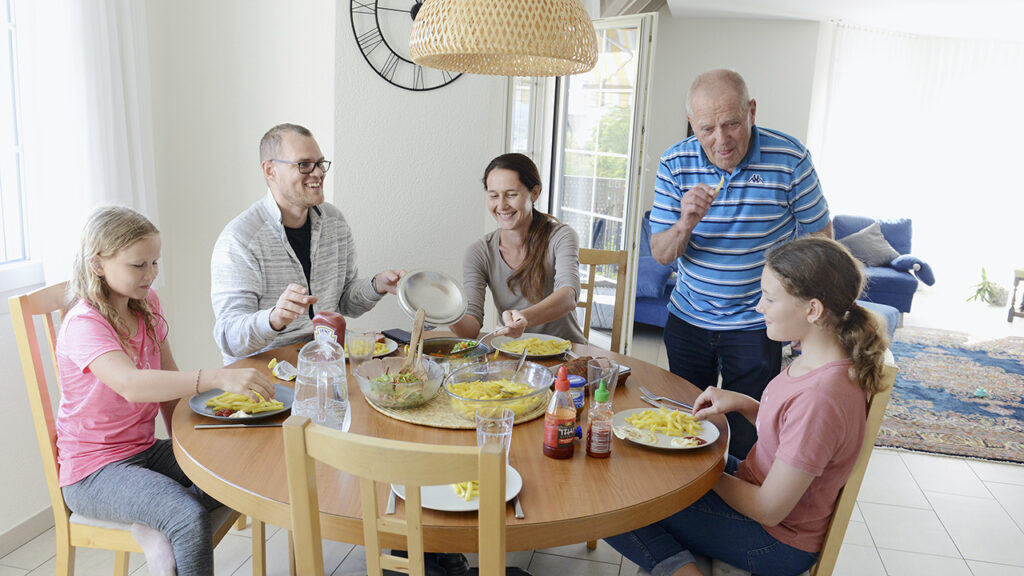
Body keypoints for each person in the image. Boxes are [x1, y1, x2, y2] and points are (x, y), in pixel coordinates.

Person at [606, 237, 890, 576]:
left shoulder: (822, 398)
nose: (759, 307)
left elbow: (770, 509)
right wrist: (745, 405)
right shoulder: (816, 362)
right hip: (757, 489)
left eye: (769, 298)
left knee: (610, 498)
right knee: (639, 462)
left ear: (812, 309)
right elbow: (796, 437)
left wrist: (699, 473)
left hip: (773, 541)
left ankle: (680, 570)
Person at [57, 206, 275, 576]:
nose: (151, 273)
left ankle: (150, 518)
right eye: (138, 265)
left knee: (232, 473)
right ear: (98, 264)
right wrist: (215, 377)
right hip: (93, 471)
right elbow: (131, 385)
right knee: (187, 517)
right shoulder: (84, 323)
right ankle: (162, 517)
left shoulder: (146, 305)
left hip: (142, 450)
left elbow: (167, 378)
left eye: (155, 262)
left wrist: (186, 448)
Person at [649, 69, 833, 459]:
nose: (721, 140)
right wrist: (684, 223)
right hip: (688, 319)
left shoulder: (790, 158)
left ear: (751, 111)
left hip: (757, 323)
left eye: (732, 123)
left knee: (748, 433)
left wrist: (801, 308)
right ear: (692, 125)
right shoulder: (674, 163)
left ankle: (737, 506)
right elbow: (662, 253)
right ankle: (687, 509)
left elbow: (822, 243)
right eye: (707, 128)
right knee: (684, 424)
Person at [211, 123, 404, 365]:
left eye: (320, 163)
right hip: (261, 377)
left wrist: (377, 285)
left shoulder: (335, 222)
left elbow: (344, 302)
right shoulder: (240, 239)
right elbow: (229, 338)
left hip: (324, 363)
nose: (318, 173)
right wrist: (274, 318)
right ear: (270, 171)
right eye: (304, 165)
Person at [450, 153, 585, 345]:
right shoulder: (479, 252)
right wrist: (444, 311)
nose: (502, 205)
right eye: (493, 195)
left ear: (534, 193)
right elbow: (471, 328)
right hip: (511, 353)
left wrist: (524, 318)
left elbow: (568, 296)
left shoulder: (561, 236)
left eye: (511, 194)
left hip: (565, 352)